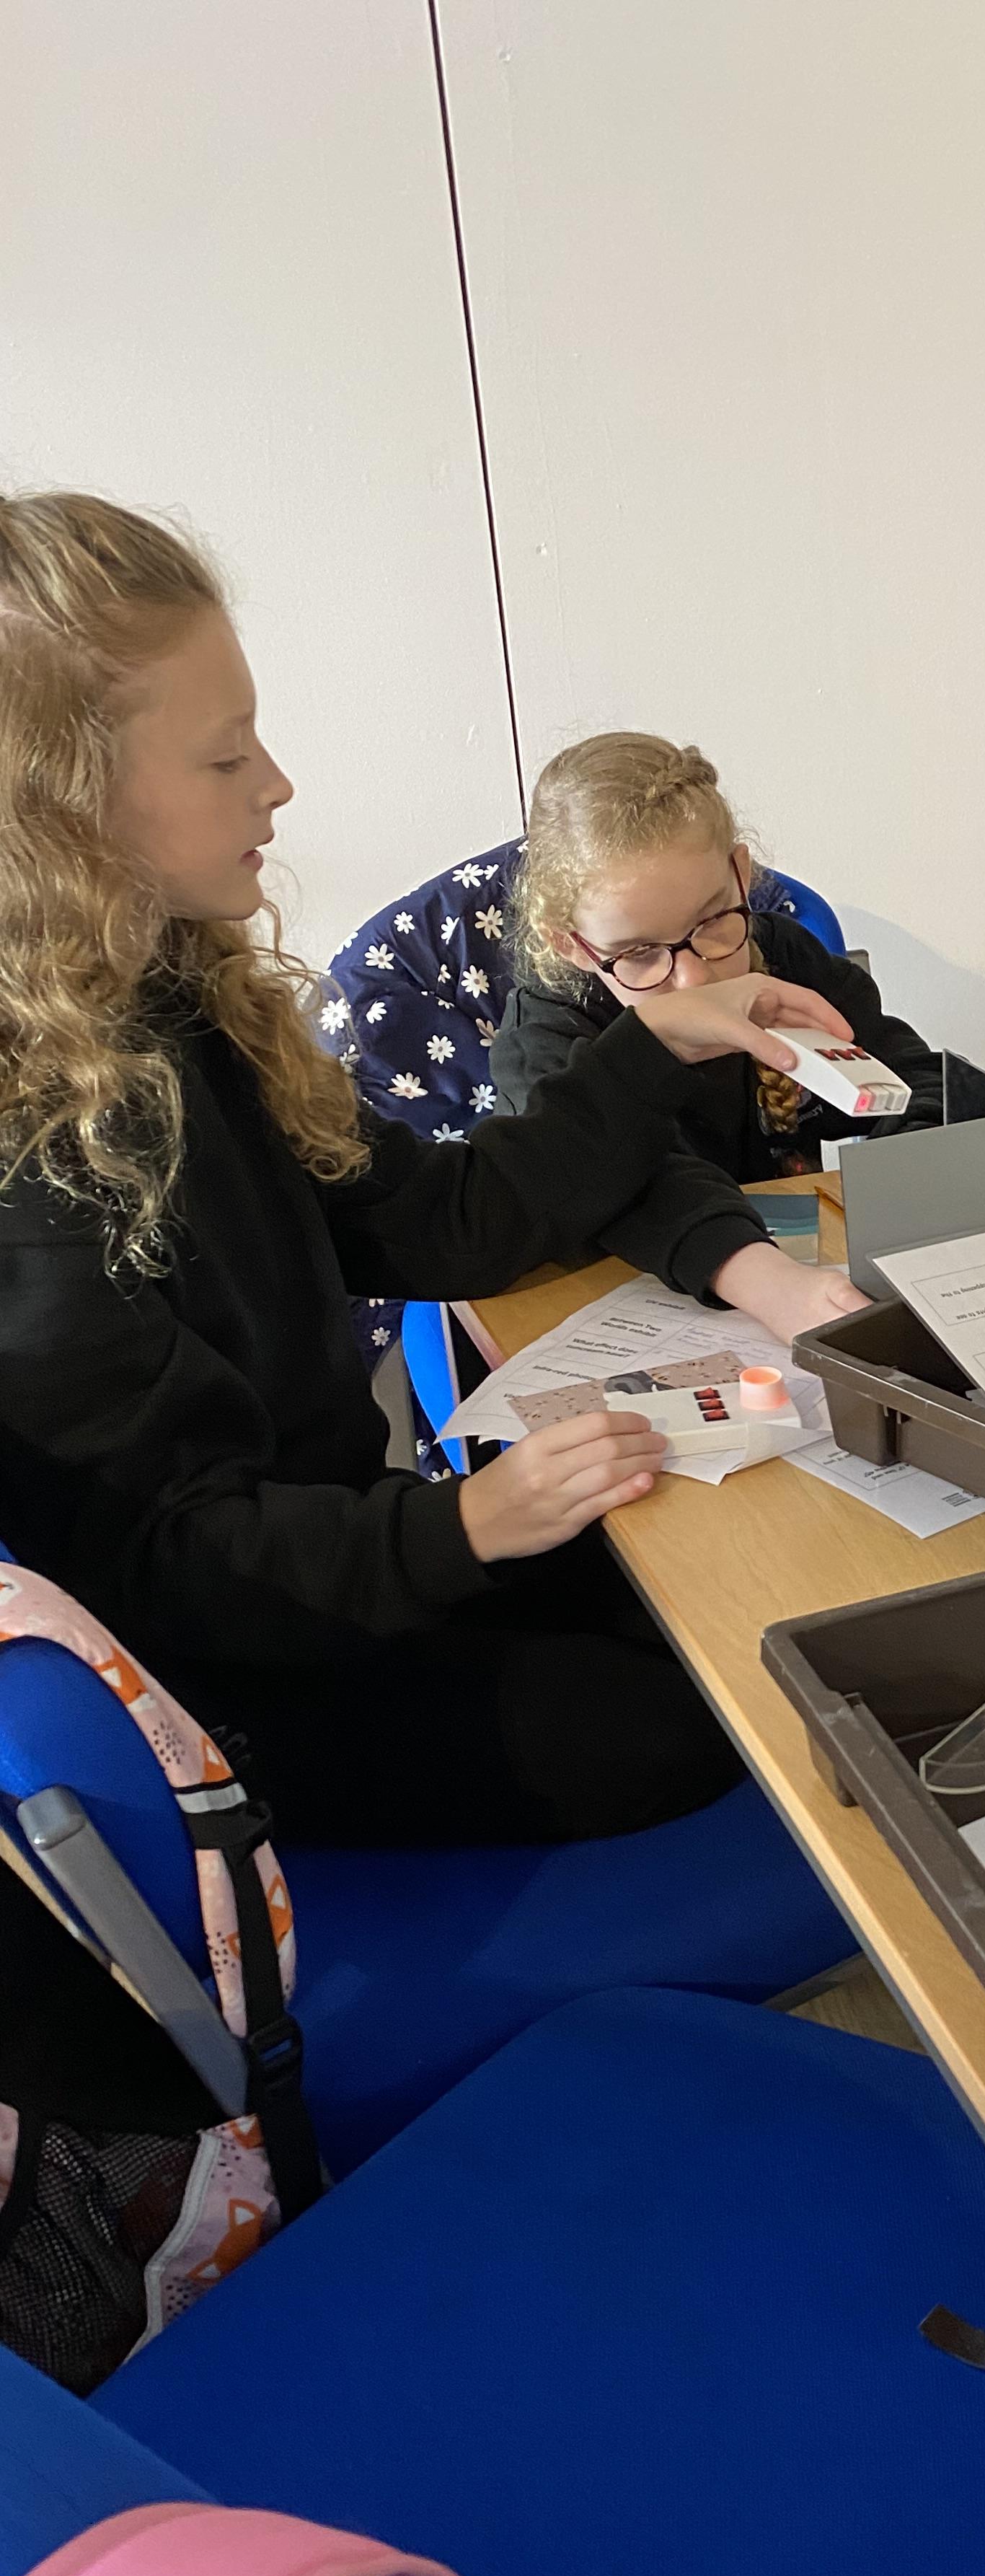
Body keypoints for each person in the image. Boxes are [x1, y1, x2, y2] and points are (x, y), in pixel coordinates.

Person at [0, 491, 862, 1847]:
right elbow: (171, 1561)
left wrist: (659, 1038)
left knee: (744, 1599)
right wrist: (464, 1528)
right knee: (697, 1714)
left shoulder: (187, 1009)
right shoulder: (39, 1156)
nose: (276, 784)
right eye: (226, 758)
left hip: (353, 1556)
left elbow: (451, 1223)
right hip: (239, 1675)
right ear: (61, 809)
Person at [490, 731, 942, 1345]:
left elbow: (919, 1082)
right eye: (639, 954)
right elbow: (621, 1185)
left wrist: (914, 1173)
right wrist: (768, 1284)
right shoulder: (544, 1039)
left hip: (797, 1278)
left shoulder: (788, 960)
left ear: (741, 874)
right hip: (635, 1308)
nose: (695, 980)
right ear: (570, 944)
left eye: (713, 922)